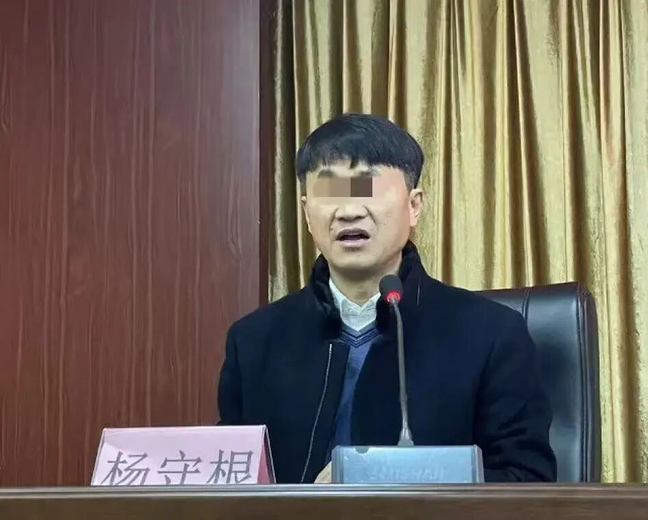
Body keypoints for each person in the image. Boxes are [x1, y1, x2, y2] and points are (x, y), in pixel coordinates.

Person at [217, 113, 556, 483]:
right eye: (330, 192)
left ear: (414, 206)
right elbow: (230, 483)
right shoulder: (253, 341)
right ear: (306, 212)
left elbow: (527, 481)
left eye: (369, 189)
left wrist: (380, 477)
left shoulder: (491, 334)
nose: (349, 211)